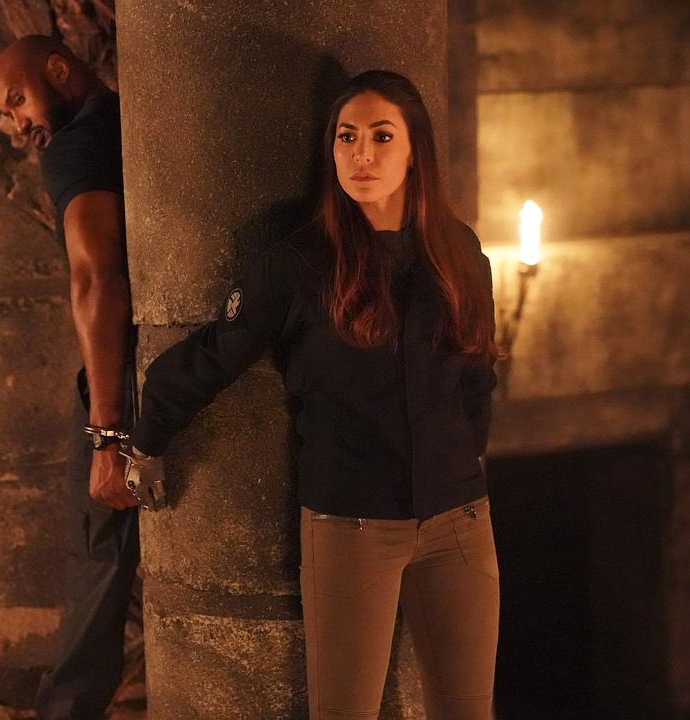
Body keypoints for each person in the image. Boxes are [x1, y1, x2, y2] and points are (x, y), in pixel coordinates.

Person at [123, 70, 501, 719]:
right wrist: (146, 438)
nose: (362, 154)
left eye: (382, 136)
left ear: (416, 150)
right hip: (352, 528)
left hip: (460, 522)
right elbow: (215, 354)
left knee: (468, 710)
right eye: (347, 137)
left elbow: (476, 377)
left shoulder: (459, 252)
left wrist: (464, 461)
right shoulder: (297, 264)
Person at [0, 35, 140, 720]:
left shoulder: (76, 149)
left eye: (18, 100)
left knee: (97, 565)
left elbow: (96, 278)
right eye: (7, 114)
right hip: (177, 366)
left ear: (59, 70)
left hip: (124, 386)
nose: (18, 124)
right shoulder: (128, 125)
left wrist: (108, 435)